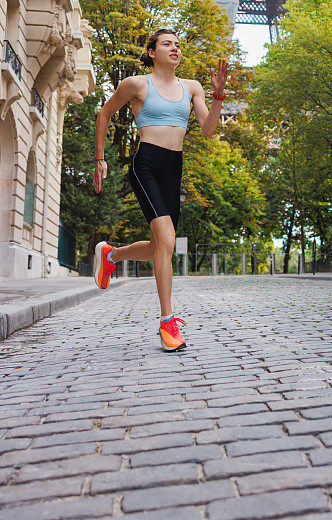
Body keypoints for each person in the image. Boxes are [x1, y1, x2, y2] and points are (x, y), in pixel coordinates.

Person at [92, 28, 229, 351]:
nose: (175, 48)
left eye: (178, 44)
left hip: (174, 168)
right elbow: (105, 114)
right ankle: (168, 322)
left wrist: (219, 96)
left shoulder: (192, 87)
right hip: (147, 165)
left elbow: (208, 130)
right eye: (167, 44)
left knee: (160, 245)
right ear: (152, 52)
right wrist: (100, 158)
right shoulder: (137, 84)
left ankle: (111, 254)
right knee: (166, 240)